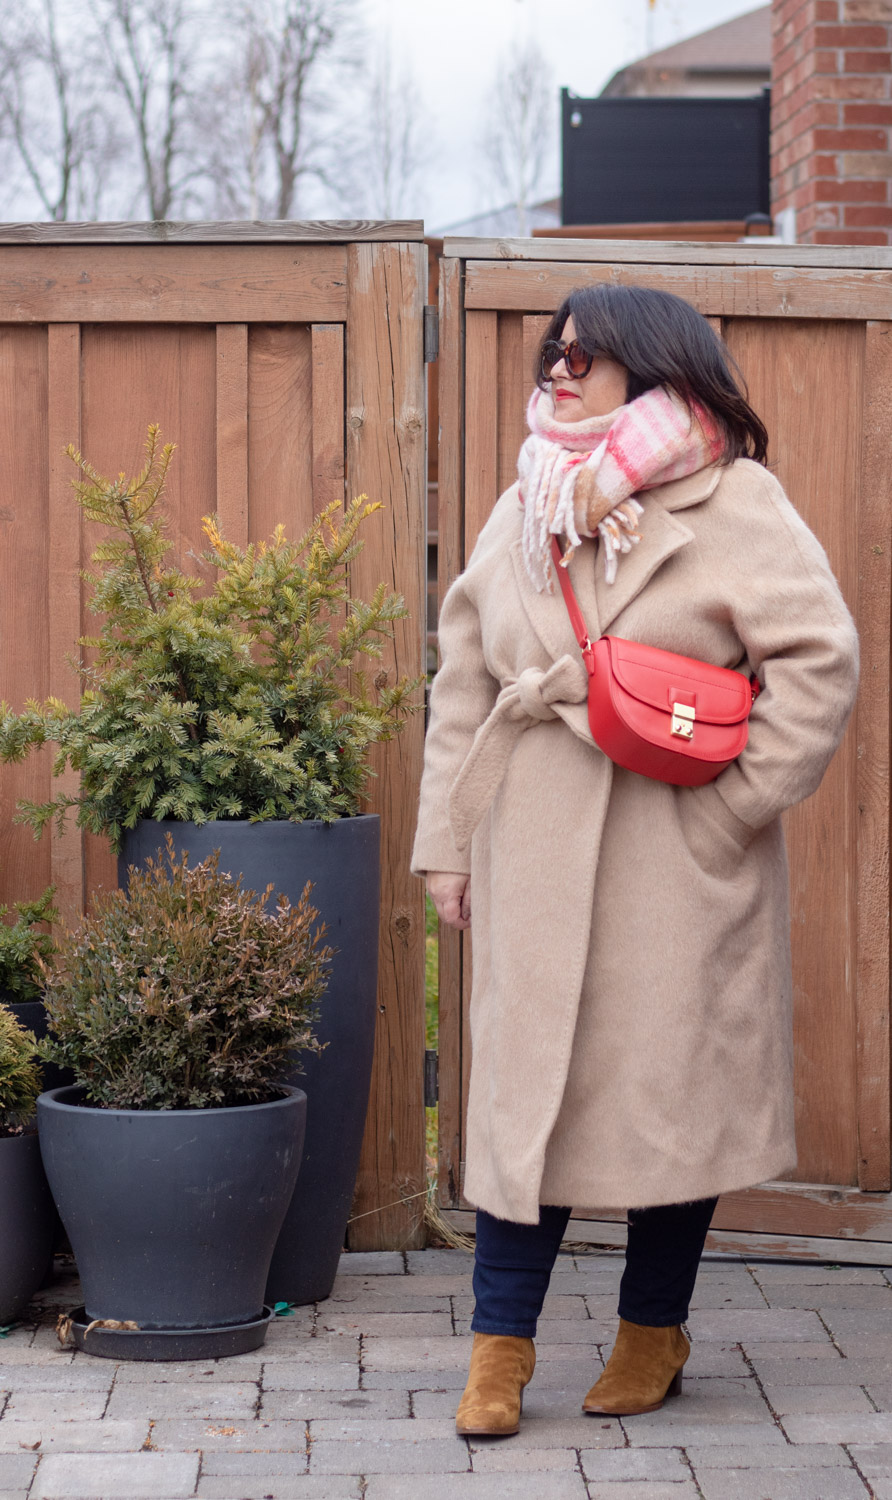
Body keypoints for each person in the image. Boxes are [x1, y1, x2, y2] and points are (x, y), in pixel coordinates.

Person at [411, 284, 859, 1437]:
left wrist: (731, 816)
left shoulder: (734, 501)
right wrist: (448, 851)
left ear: (655, 372)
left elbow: (818, 661)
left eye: (586, 357)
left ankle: (651, 1332)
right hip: (531, 852)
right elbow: (463, 679)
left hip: (674, 866)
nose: (558, 373)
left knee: (671, 1110)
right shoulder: (524, 502)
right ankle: (497, 1351)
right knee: (521, 1113)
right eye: (552, 354)